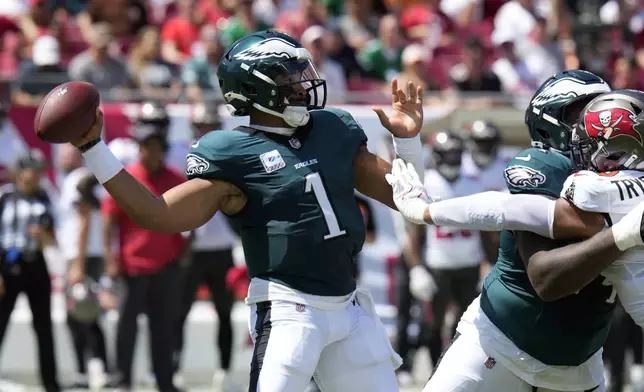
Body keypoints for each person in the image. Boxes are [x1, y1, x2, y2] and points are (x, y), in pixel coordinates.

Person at [67, 29, 425, 392]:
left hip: (349, 306)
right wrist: (94, 148)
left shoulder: (334, 128)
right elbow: (158, 214)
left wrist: (408, 142)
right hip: (290, 309)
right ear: (258, 87)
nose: (304, 83)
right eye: (290, 75)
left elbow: (410, 200)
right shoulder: (233, 152)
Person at [389, 69, 618, 391]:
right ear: (550, 120)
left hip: (578, 363)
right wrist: (624, 234)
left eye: (606, 110)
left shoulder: (627, 181)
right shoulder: (545, 168)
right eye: (586, 111)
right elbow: (546, 278)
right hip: (500, 344)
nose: (603, 122)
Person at [101, 115, 187, 392]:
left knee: (163, 329)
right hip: (132, 266)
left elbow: (188, 219)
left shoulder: (175, 178)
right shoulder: (127, 179)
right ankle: (121, 380)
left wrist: (183, 251)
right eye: (143, 146)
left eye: (153, 146)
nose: (148, 152)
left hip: (166, 266)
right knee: (127, 328)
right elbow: (108, 222)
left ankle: (164, 381)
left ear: (162, 149)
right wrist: (110, 259)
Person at [170, 103, 241, 391]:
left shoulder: (231, 155)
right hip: (191, 245)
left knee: (224, 312)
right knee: (179, 311)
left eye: (210, 126)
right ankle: (173, 366)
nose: (205, 132)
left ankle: (223, 368)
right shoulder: (182, 154)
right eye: (201, 127)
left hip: (222, 246)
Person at [407, 130, 485, 367]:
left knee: (468, 323)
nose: (453, 159)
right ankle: (434, 371)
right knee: (433, 323)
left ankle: (457, 369)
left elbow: (488, 231)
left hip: (470, 264)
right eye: (448, 154)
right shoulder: (426, 183)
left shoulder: (473, 182)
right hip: (437, 266)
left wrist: (491, 263)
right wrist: (416, 269)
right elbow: (413, 234)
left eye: (456, 154)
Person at [0, 151, 61, 392]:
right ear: (20, 172)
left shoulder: (44, 198)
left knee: (44, 327)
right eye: (32, 170)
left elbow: (51, 241)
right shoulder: (4, 197)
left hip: (35, 262)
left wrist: (43, 236)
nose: (37, 176)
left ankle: (51, 383)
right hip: (7, 264)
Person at [56, 144, 110, 388]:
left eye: (66, 153)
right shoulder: (80, 179)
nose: (61, 157)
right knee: (82, 314)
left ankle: (93, 369)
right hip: (83, 255)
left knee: (83, 312)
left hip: (83, 257)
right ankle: (91, 369)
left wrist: (77, 263)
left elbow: (84, 219)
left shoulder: (78, 179)